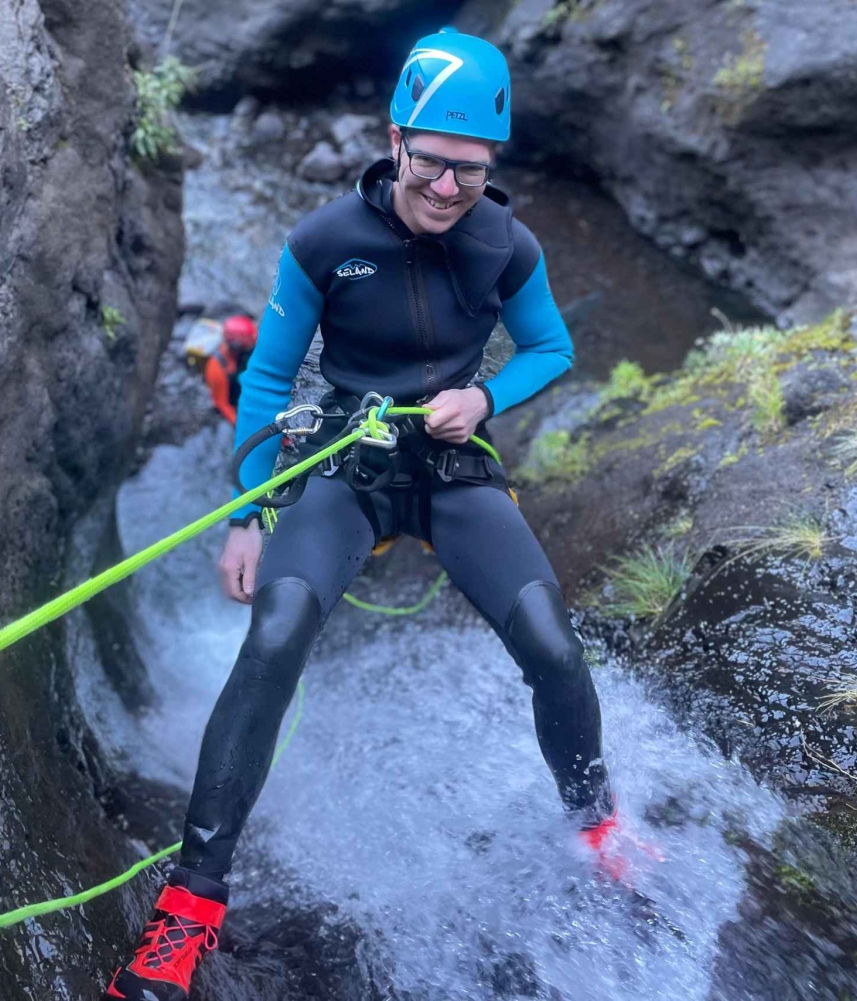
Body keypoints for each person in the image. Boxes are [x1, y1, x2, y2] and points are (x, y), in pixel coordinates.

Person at [103, 28, 643, 1001]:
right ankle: (190, 907)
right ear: (396, 139)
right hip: (347, 465)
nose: (447, 188)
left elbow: (549, 349)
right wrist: (248, 512)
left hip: (451, 469)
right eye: (433, 162)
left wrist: (483, 400)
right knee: (273, 636)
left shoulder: (505, 244)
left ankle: (598, 821)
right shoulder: (324, 243)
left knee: (554, 646)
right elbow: (269, 374)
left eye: (471, 172)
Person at [200, 313, 258, 425]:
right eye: (249, 344)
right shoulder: (216, 369)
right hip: (231, 395)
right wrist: (241, 425)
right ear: (236, 347)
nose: (252, 345)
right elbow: (222, 403)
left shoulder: (241, 351)